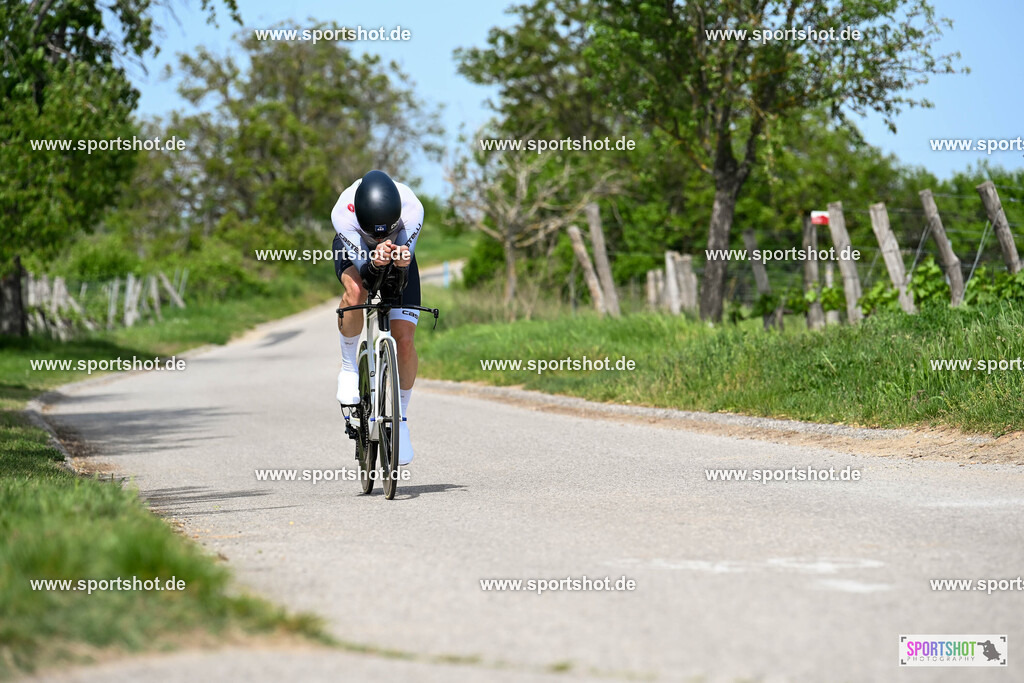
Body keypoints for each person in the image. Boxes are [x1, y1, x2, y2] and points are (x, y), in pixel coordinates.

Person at [331, 170, 423, 465]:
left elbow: (400, 277)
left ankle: (402, 419)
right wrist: (372, 259)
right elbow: (368, 277)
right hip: (356, 251)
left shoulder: (412, 208)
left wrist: (400, 260)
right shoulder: (343, 213)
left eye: (387, 230)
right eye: (375, 232)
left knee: (405, 340)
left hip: (397, 253)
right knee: (357, 291)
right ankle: (348, 367)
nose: (380, 237)